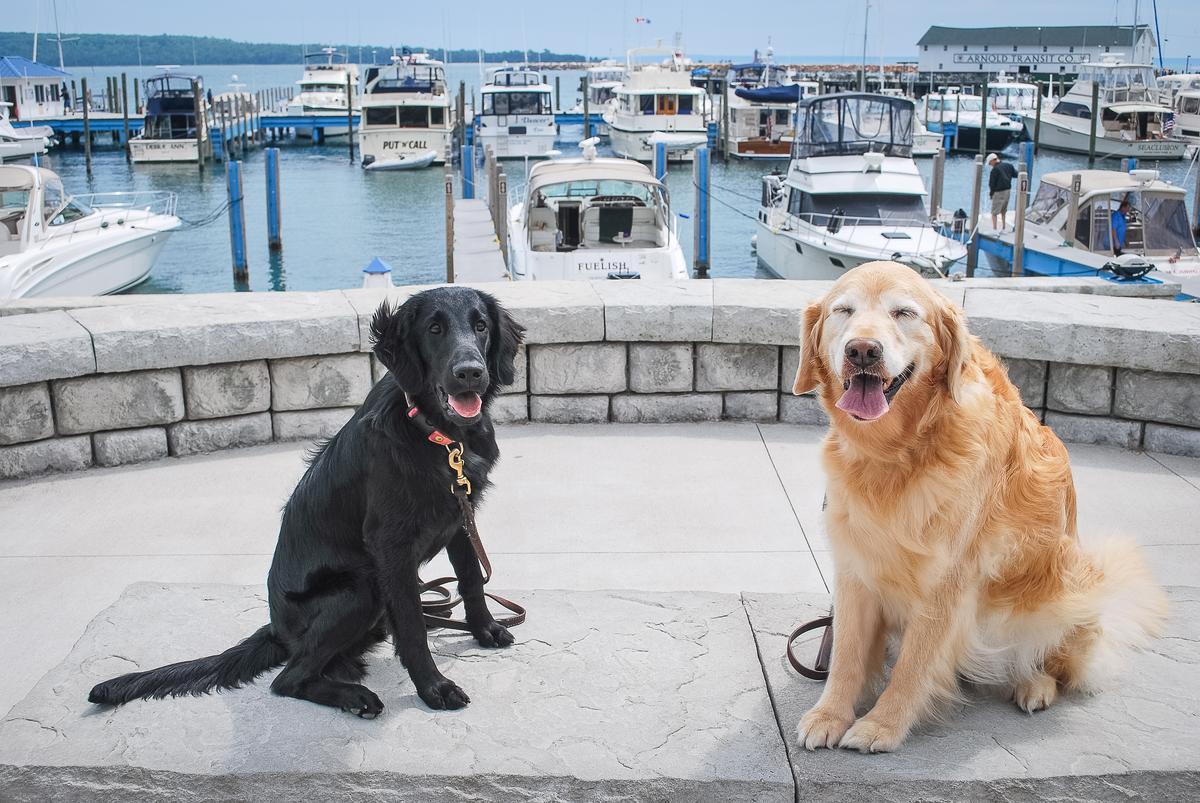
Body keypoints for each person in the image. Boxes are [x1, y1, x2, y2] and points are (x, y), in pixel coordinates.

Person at [987, 153, 1017, 231]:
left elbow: (992, 184)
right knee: (1004, 210)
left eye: (990, 163)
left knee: (994, 213)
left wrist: (991, 194)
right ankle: (1004, 227)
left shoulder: (995, 170)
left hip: (998, 192)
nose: (990, 165)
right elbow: (1016, 174)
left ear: (993, 160)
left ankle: (994, 229)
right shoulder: (1009, 165)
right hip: (1007, 191)